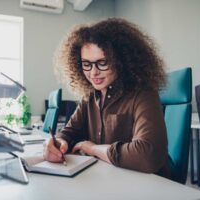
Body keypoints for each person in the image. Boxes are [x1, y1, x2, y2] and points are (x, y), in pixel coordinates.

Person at [43, 18, 170, 178]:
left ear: (121, 61)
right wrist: (58, 143)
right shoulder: (89, 96)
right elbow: (70, 132)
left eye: (102, 63)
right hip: (106, 180)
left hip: (149, 186)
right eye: (86, 64)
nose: (93, 72)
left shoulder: (143, 94)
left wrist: (93, 149)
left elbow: (148, 156)